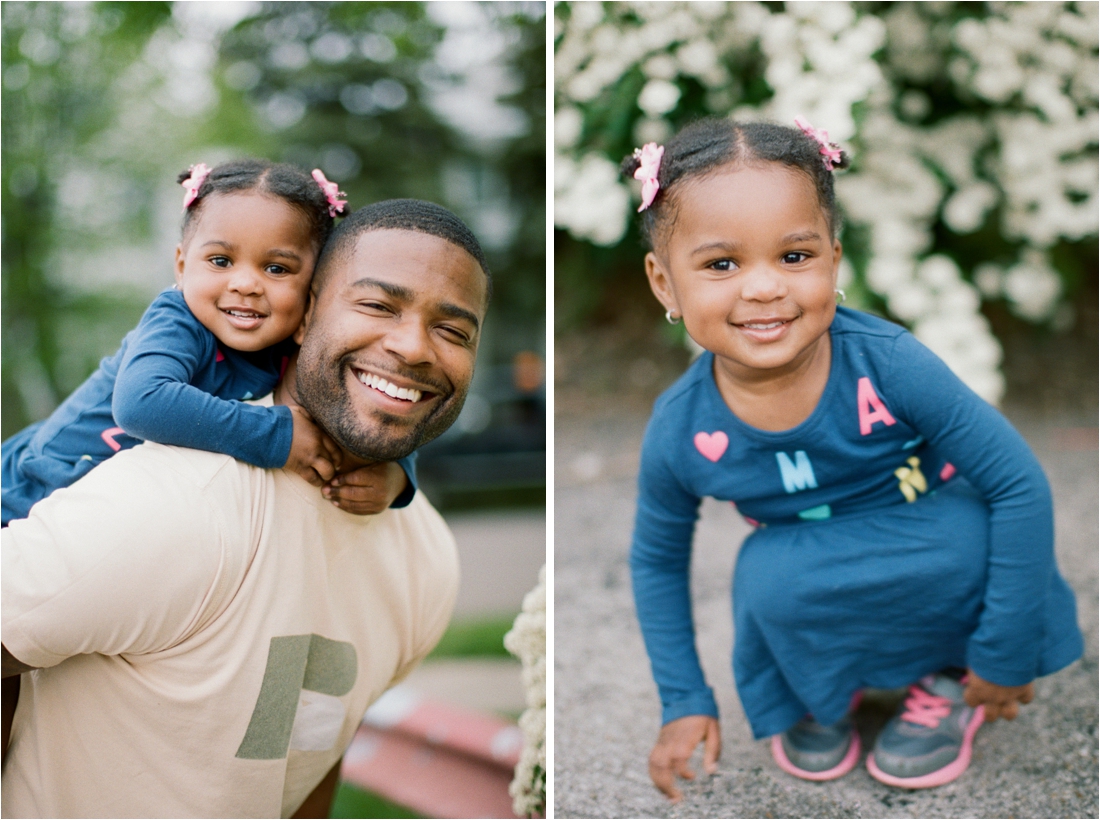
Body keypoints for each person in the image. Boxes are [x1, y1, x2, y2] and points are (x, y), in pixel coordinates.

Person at [623, 118, 1083, 799]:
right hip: (812, 571)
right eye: (722, 264)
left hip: (928, 538)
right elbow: (657, 559)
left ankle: (947, 677)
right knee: (766, 577)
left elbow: (1017, 485)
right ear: (664, 283)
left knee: (968, 535)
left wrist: (1006, 649)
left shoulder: (890, 364)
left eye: (794, 257)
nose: (763, 288)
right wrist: (684, 698)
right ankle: (820, 691)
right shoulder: (681, 428)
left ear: (834, 260)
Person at [1, 198, 491, 818]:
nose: (414, 346)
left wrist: (399, 477)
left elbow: (311, 749)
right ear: (307, 315)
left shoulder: (427, 557)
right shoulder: (171, 501)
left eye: (453, 330)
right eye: (376, 304)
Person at [1, 159, 416, 525]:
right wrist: (278, 436)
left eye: (276, 268)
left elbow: (372, 394)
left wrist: (397, 473)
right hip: (34, 488)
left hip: (125, 512)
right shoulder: (178, 318)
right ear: (182, 266)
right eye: (220, 261)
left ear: (314, 287)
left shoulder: (302, 338)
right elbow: (140, 402)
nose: (245, 284)